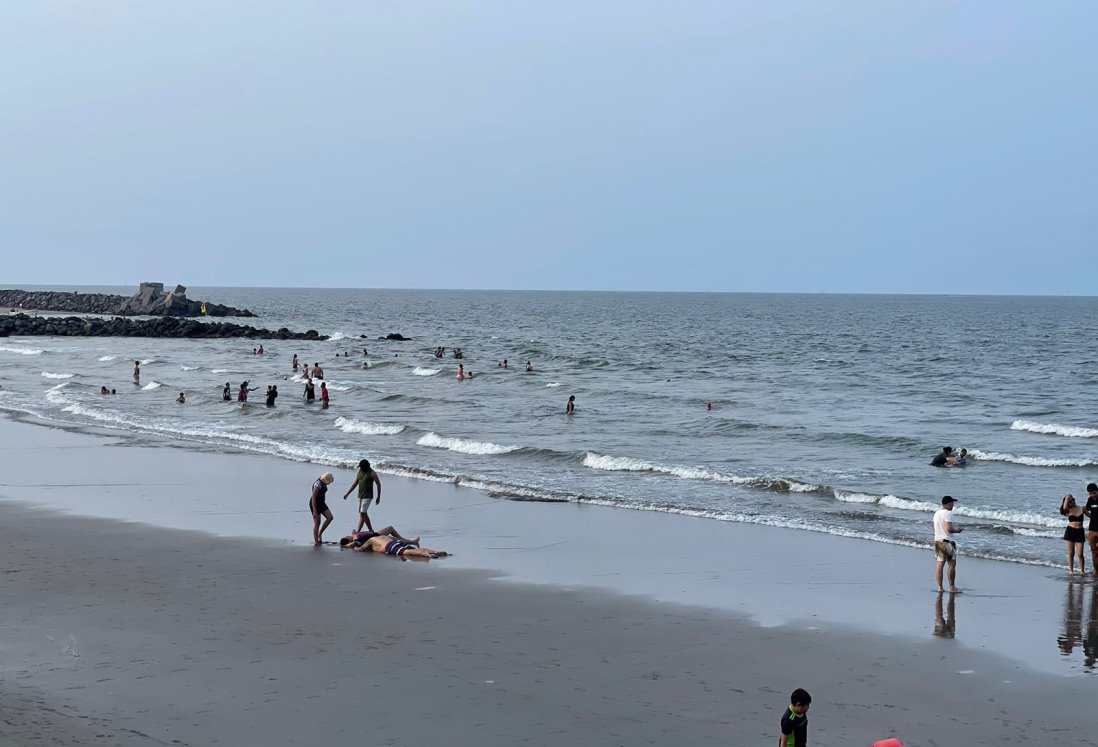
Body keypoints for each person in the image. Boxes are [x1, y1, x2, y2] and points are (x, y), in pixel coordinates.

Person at [343, 459, 382, 532]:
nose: (360, 468)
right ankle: (370, 530)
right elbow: (356, 483)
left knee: (362, 514)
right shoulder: (360, 471)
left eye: (361, 467)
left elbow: (378, 485)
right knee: (364, 514)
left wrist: (378, 497)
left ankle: (358, 531)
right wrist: (348, 493)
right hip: (360, 496)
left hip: (368, 496)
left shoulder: (372, 473)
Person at [934, 495, 963, 592]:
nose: (953, 505)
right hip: (948, 541)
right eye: (952, 503)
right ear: (948, 503)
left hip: (938, 541)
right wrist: (957, 530)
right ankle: (951, 587)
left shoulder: (937, 513)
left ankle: (940, 587)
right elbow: (949, 528)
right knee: (951, 565)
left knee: (939, 565)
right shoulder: (947, 513)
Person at [350, 532, 448, 559]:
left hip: (389, 547)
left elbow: (360, 549)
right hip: (394, 543)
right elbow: (395, 538)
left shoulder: (370, 540)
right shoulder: (381, 536)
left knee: (407, 552)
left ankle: (427, 554)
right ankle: (434, 551)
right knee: (410, 549)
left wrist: (354, 547)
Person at [1061, 494, 1087, 575]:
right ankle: (1071, 570)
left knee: (1080, 554)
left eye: (1073, 500)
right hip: (1070, 531)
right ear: (1067, 502)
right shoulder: (1068, 510)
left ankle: (1082, 571)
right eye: (1070, 501)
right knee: (1071, 553)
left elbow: (1091, 516)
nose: (1072, 502)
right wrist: (1067, 498)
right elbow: (1064, 507)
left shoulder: (1082, 508)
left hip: (1080, 531)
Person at [309, 472, 335, 545]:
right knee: (317, 523)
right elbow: (313, 498)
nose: (329, 484)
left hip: (322, 503)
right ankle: (316, 541)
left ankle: (320, 534)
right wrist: (314, 511)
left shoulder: (323, 481)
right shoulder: (318, 484)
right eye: (329, 482)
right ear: (326, 479)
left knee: (330, 517)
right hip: (315, 504)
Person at [337, 526, 418, 547]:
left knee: (391, 529)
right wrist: (354, 534)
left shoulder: (355, 537)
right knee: (395, 539)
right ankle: (411, 542)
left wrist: (353, 534)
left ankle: (407, 540)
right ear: (348, 539)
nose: (347, 535)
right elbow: (368, 534)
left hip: (376, 535)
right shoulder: (355, 537)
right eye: (346, 536)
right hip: (377, 536)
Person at [1085, 483, 1098, 574]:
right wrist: (1091, 516)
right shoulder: (1090, 500)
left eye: (1094, 493)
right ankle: (1095, 570)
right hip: (1092, 529)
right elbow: (1086, 509)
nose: (1093, 495)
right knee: (1093, 551)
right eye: (1090, 493)